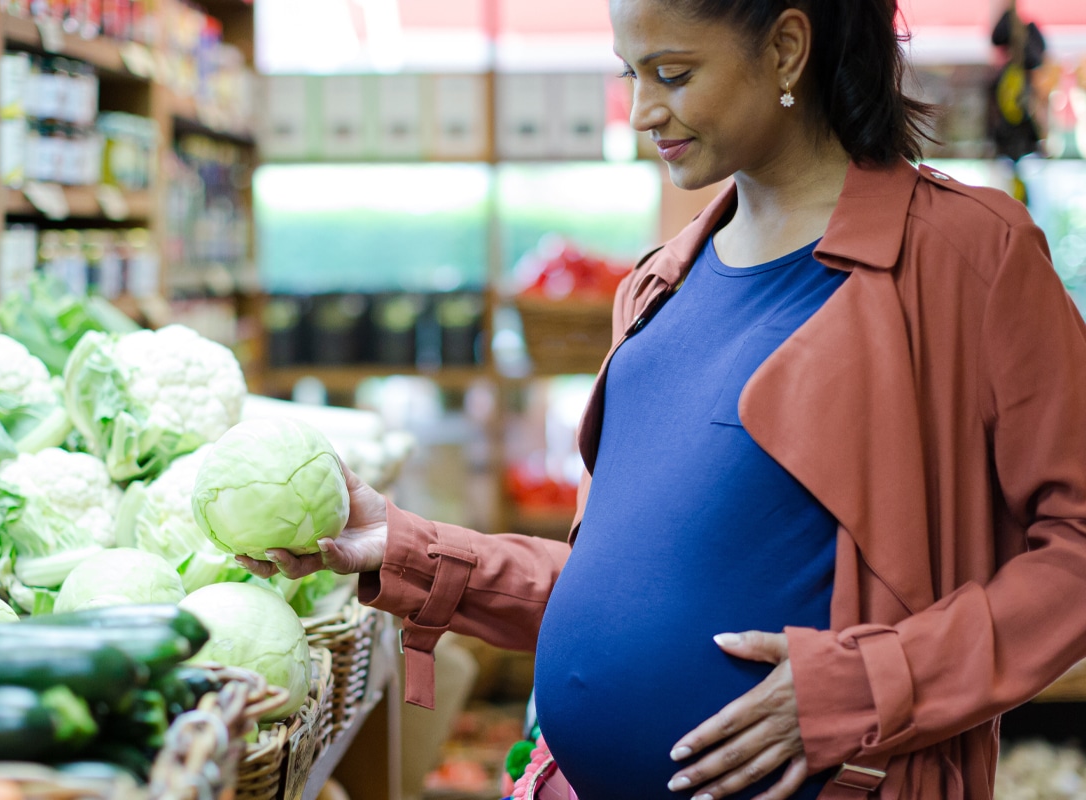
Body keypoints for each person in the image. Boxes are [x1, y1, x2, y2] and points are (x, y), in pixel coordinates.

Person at [239, 0, 1086, 797]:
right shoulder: (659, 285)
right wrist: (412, 551)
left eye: (673, 74)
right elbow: (629, 588)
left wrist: (870, 682)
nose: (642, 111)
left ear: (787, 48)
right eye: (629, 74)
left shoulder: (967, 260)